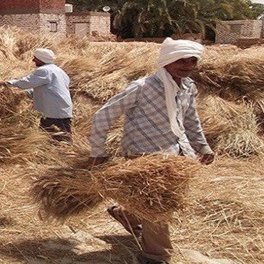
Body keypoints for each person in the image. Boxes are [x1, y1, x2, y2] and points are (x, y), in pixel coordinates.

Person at [88, 38, 215, 264]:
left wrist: (202, 146)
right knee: (158, 206)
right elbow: (103, 116)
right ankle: (156, 256)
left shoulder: (188, 88)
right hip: (143, 155)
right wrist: (98, 151)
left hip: (178, 155)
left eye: (192, 61)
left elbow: (190, 120)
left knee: (156, 202)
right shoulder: (142, 87)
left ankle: (124, 214)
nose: (186, 65)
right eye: (180, 60)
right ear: (167, 60)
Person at [0, 48, 73, 141]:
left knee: (51, 136)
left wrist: (8, 83)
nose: (33, 60)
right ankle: (63, 152)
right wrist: (25, 93)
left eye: (35, 58)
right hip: (62, 108)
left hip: (52, 110)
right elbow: (49, 88)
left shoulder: (44, 70)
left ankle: (58, 153)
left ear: (41, 59)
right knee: (63, 134)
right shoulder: (59, 71)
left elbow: (27, 82)